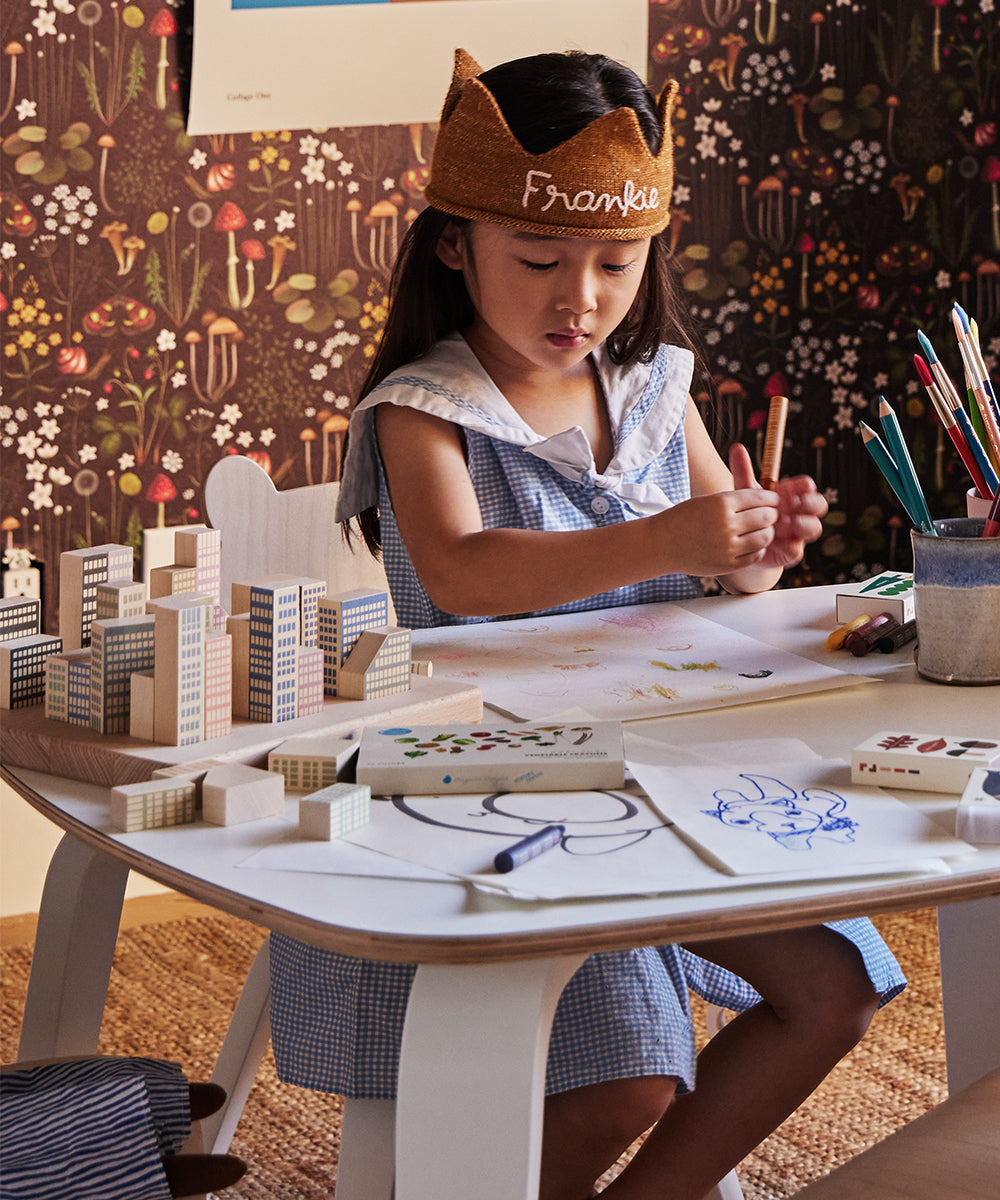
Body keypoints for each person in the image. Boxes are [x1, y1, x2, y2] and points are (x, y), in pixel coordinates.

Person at [268, 49, 905, 1200]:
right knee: (628, 1081)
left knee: (833, 992)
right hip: (501, 789)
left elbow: (727, 575)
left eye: (616, 263)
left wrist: (754, 550)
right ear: (455, 244)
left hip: (663, 765)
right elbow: (461, 573)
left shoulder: (653, 385)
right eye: (541, 260)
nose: (581, 300)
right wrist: (668, 541)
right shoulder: (424, 408)